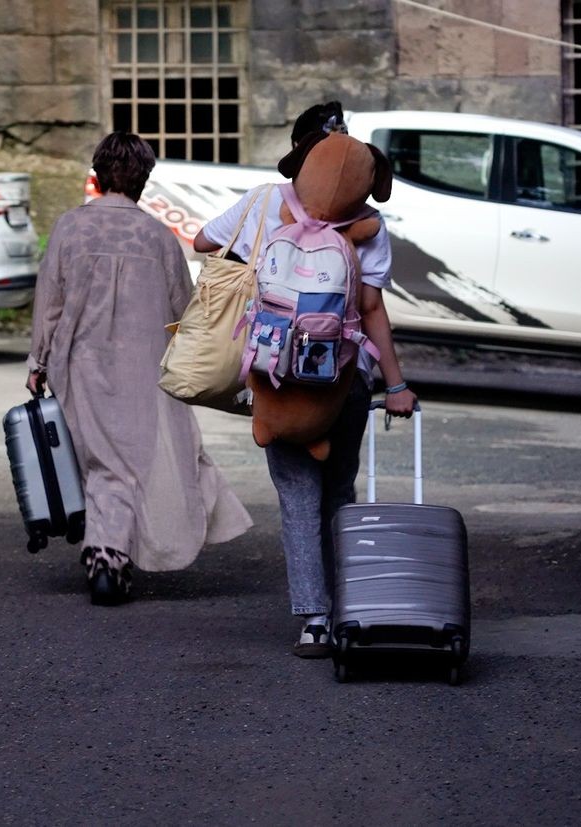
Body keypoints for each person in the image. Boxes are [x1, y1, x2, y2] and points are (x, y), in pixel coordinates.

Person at [191, 102, 417, 657]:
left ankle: (313, 619)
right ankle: (346, 610)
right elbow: (371, 310)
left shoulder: (267, 202)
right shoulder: (368, 222)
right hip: (346, 380)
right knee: (338, 491)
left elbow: (201, 241)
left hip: (276, 375)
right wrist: (396, 385)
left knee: (296, 495)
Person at [26, 131, 252, 606]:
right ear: (144, 180)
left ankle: (106, 555)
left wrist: (38, 360)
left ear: (97, 173)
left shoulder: (69, 228)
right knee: (151, 459)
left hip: (80, 364)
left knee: (100, 463)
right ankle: (116, 555)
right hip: (146, 370)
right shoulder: (158, 237)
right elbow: (183, 312)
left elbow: (50, 303)